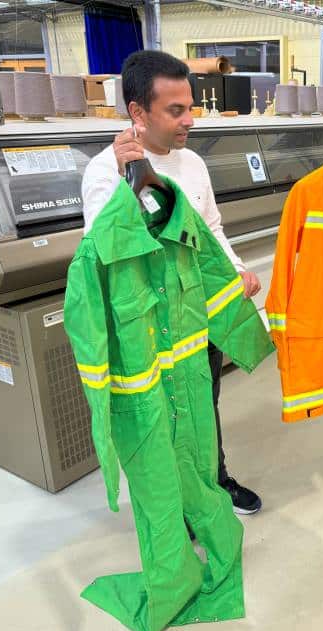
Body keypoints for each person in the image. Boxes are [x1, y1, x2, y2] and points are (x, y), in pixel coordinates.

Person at [81, 50, 264, 515]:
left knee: (203, 405)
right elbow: (107, 251)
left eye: (191, 107)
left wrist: (235, 268)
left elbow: (212, 226)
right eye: (176, 110)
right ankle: (174, 507)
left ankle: (214, 485)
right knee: (160, 419)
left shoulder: (192, 163)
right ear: (138, 112)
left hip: (196, 314)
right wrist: (130, 184)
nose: (190, 121)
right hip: (151, 327)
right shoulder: (106, 172)